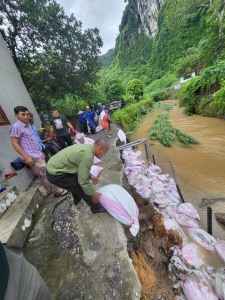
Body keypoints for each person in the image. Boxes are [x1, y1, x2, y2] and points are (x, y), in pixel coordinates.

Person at [9, 106, 68, 196]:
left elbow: (32, 140)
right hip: (31, 156)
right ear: (16, 115)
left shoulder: (28, 125)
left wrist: (39, 150)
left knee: (42, 174)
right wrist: (26, 157)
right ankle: (57, 191)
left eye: (27, 114)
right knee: (46, 174)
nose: (26, 116)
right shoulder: (16, 127)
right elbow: (15, 143)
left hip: (37, 153)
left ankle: (49, 190)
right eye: (23, 114)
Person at [46, 139, 109, 214]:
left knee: (74, 182)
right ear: (100, 149)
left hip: (55, 165)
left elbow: (79, 167)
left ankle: (77, 198)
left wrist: (91, 176)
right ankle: (96, 207)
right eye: (104, 153)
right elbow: (83, 181)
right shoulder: (88, 156)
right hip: (55, 173)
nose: (103, 155)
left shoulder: (87, 148)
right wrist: (93, 194)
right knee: (81, 187)